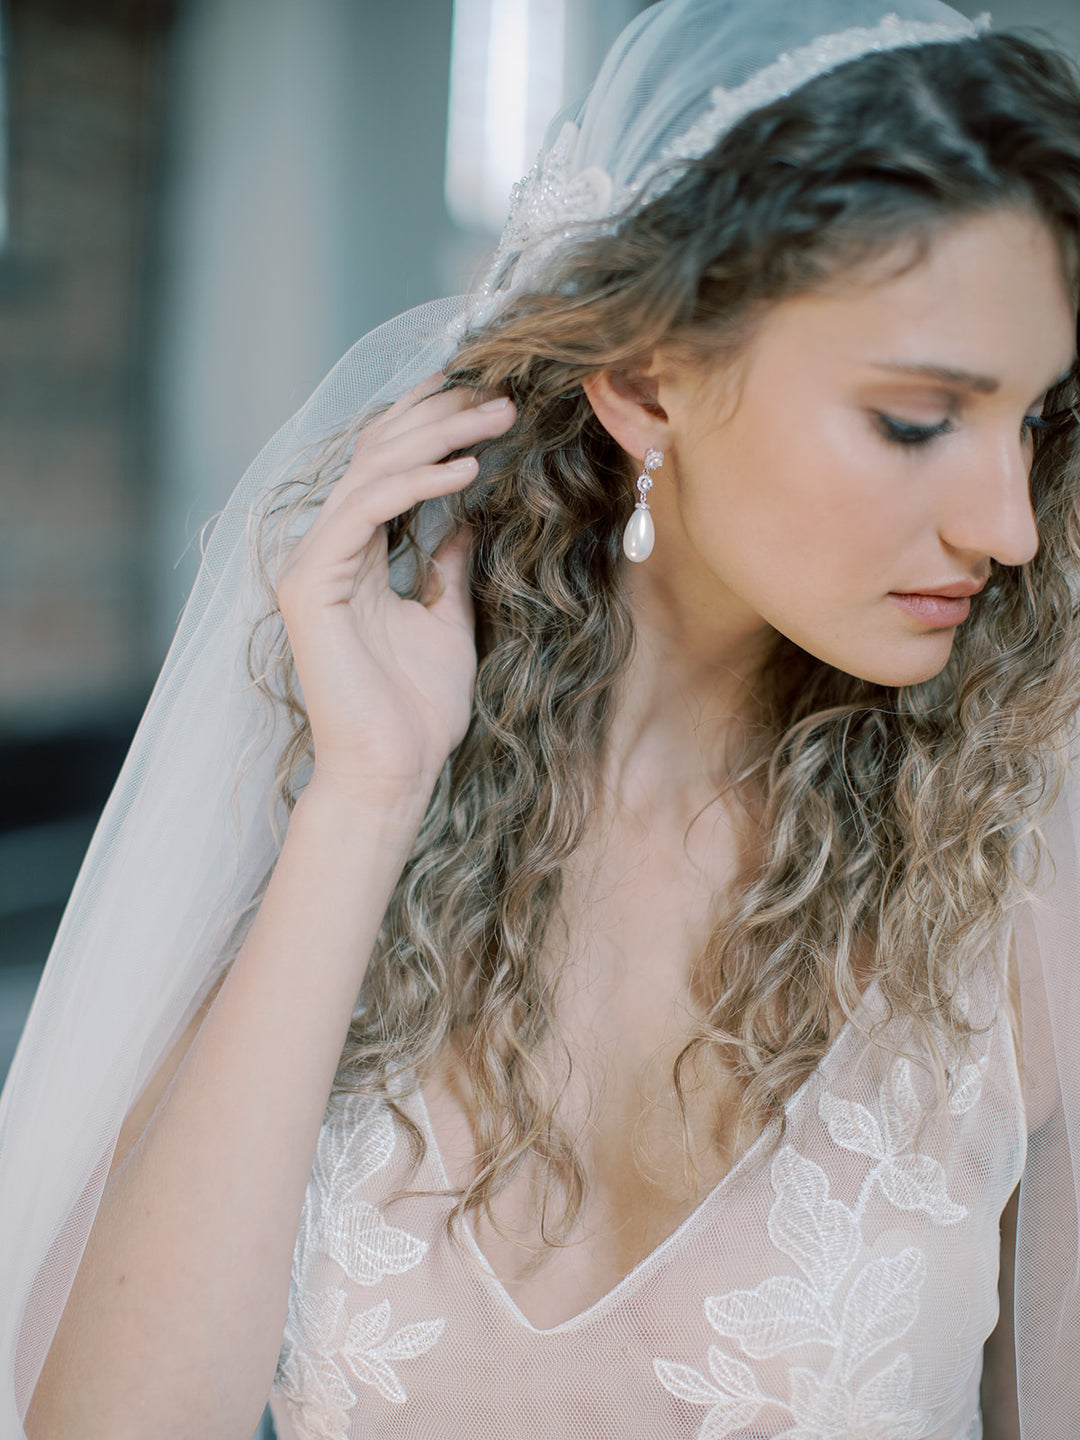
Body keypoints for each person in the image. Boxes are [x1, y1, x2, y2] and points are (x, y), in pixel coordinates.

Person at [4, 0, 1080, 1435]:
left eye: (1031, 423)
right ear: (647, 380)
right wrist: (365, 801)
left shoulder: (1013, 871)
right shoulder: (351, 800)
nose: (1009, 525)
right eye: (914, 419)